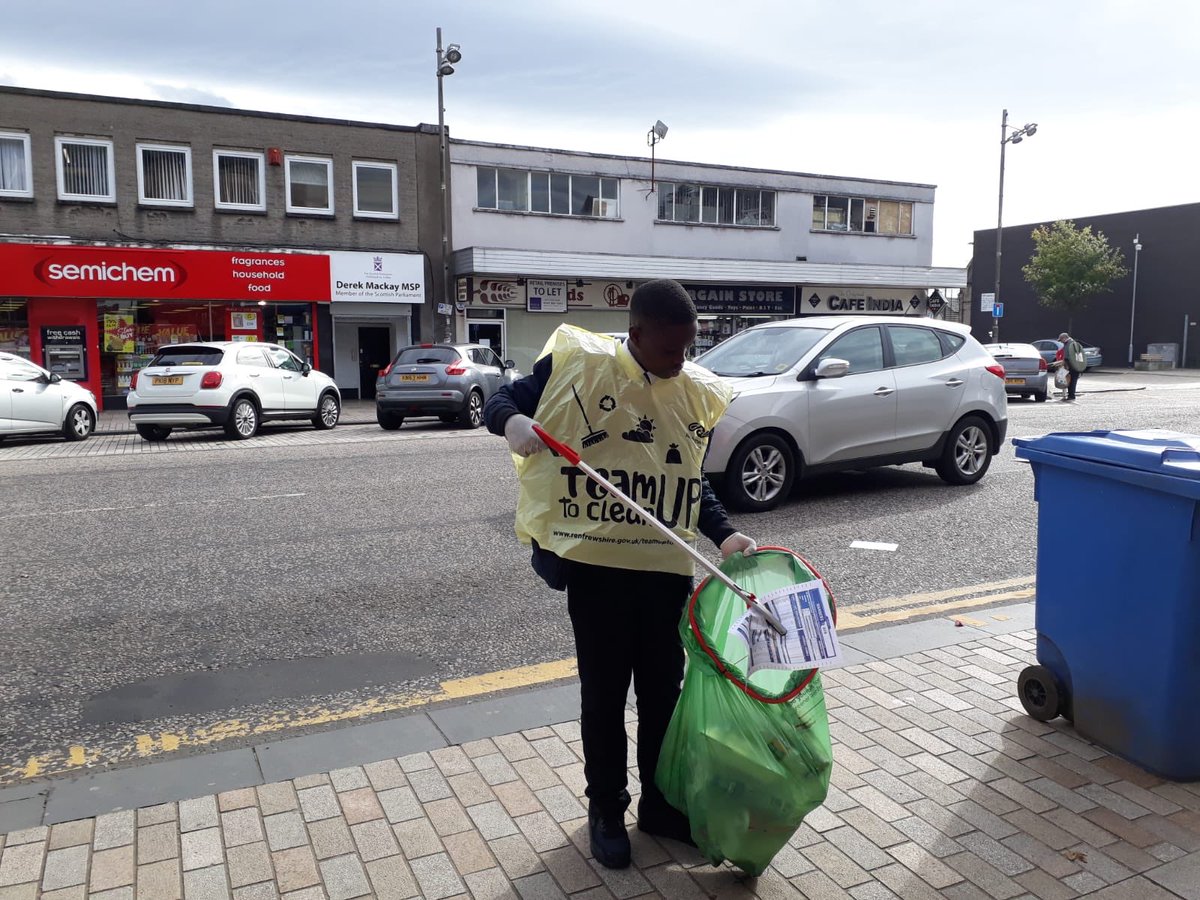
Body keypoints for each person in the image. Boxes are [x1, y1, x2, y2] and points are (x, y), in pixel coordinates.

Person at [484, 279, 756, 870]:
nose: (680, 361)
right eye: (669, 350)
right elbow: (503, 400)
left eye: (688, 349)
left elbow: (686, 480)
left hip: (664, 574)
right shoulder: (578, 367)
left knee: (663, 694)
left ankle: (659, 804)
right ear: (635, 334)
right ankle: (606, 808)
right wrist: (512, 424)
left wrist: (724, 531)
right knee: (604, 696)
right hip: (599, 571)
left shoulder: (688, 391)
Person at [1056, 331, 1086, 401]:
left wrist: (1065, 365)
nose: (1061, 342)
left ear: (1064, 338)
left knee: (1071, 382)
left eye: (1061, 340)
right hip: (1076, 365)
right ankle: (1071, 395)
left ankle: (1071, 396)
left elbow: (1066, 357)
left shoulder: (1068, 344)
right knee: (1072, 381)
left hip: (1071, 366)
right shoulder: (1074, 343)